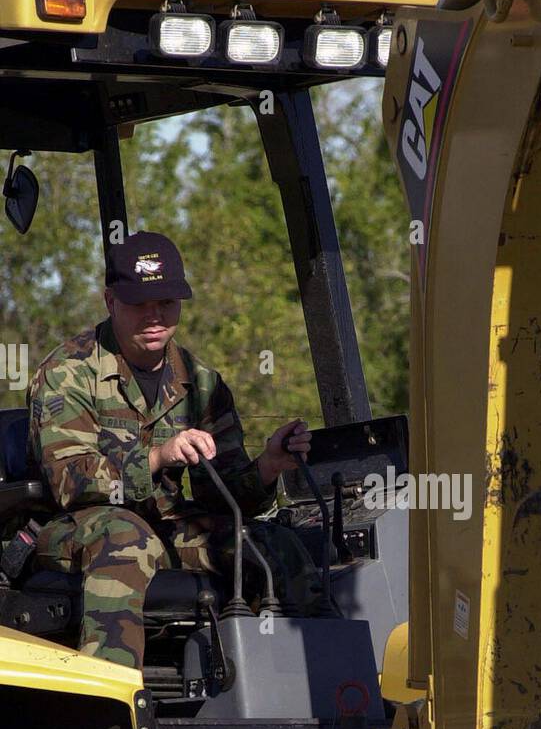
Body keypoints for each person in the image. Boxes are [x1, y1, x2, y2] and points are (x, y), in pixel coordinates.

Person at [27, 230, 327, 669]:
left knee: (273, 543)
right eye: (139, 304)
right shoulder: (67, 373)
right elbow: (69, 482)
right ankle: (111, 697)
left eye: (166, 303)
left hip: (167, 531)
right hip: (78, 530)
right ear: (110, 301)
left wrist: (268, 466)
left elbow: (220, 496)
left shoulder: (200, 382)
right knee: (126, 537)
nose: (154, 316)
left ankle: (326, 690)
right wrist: (156, 458)